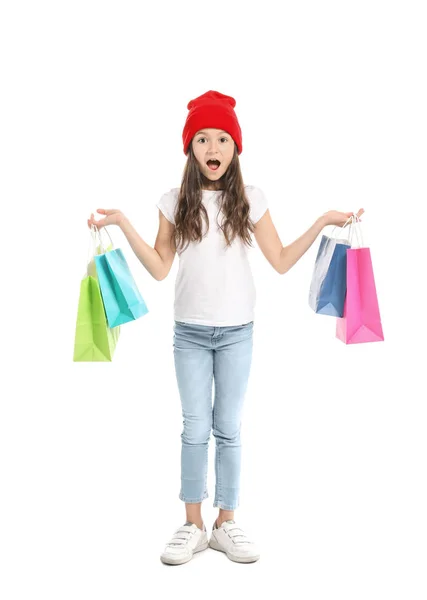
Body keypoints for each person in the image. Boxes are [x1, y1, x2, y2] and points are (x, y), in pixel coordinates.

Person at [87, 90, 364, 565]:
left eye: (221, 139)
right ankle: (192, 525)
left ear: (235, 147)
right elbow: (158, 267)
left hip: (237, 332)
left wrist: (320, 223)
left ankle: (226, 522)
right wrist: (123, 225)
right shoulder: (173, 201)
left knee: (228, 428)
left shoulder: (251, 200)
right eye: (201, 139)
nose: (212, 148)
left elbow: (278, 261)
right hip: (190, 333)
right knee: (195, 428)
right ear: (190, 149)